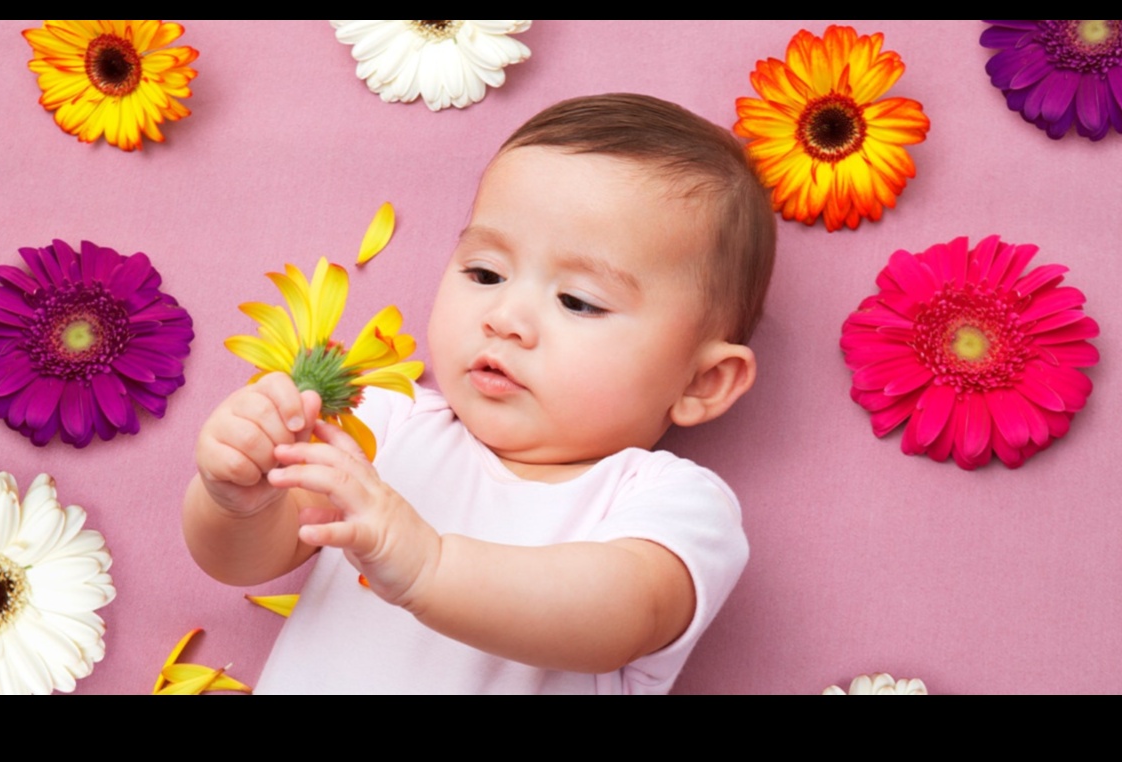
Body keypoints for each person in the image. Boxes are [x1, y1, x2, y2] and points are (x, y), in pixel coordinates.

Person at [184, 93, 776, 693]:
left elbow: (620, 615)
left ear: (703, 382)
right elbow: (241, 562)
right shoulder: (382, 426)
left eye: (578, 301)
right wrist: (239, 501)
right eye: (485, 273)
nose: (505, 316)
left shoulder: (671, 502)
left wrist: (429, 567)